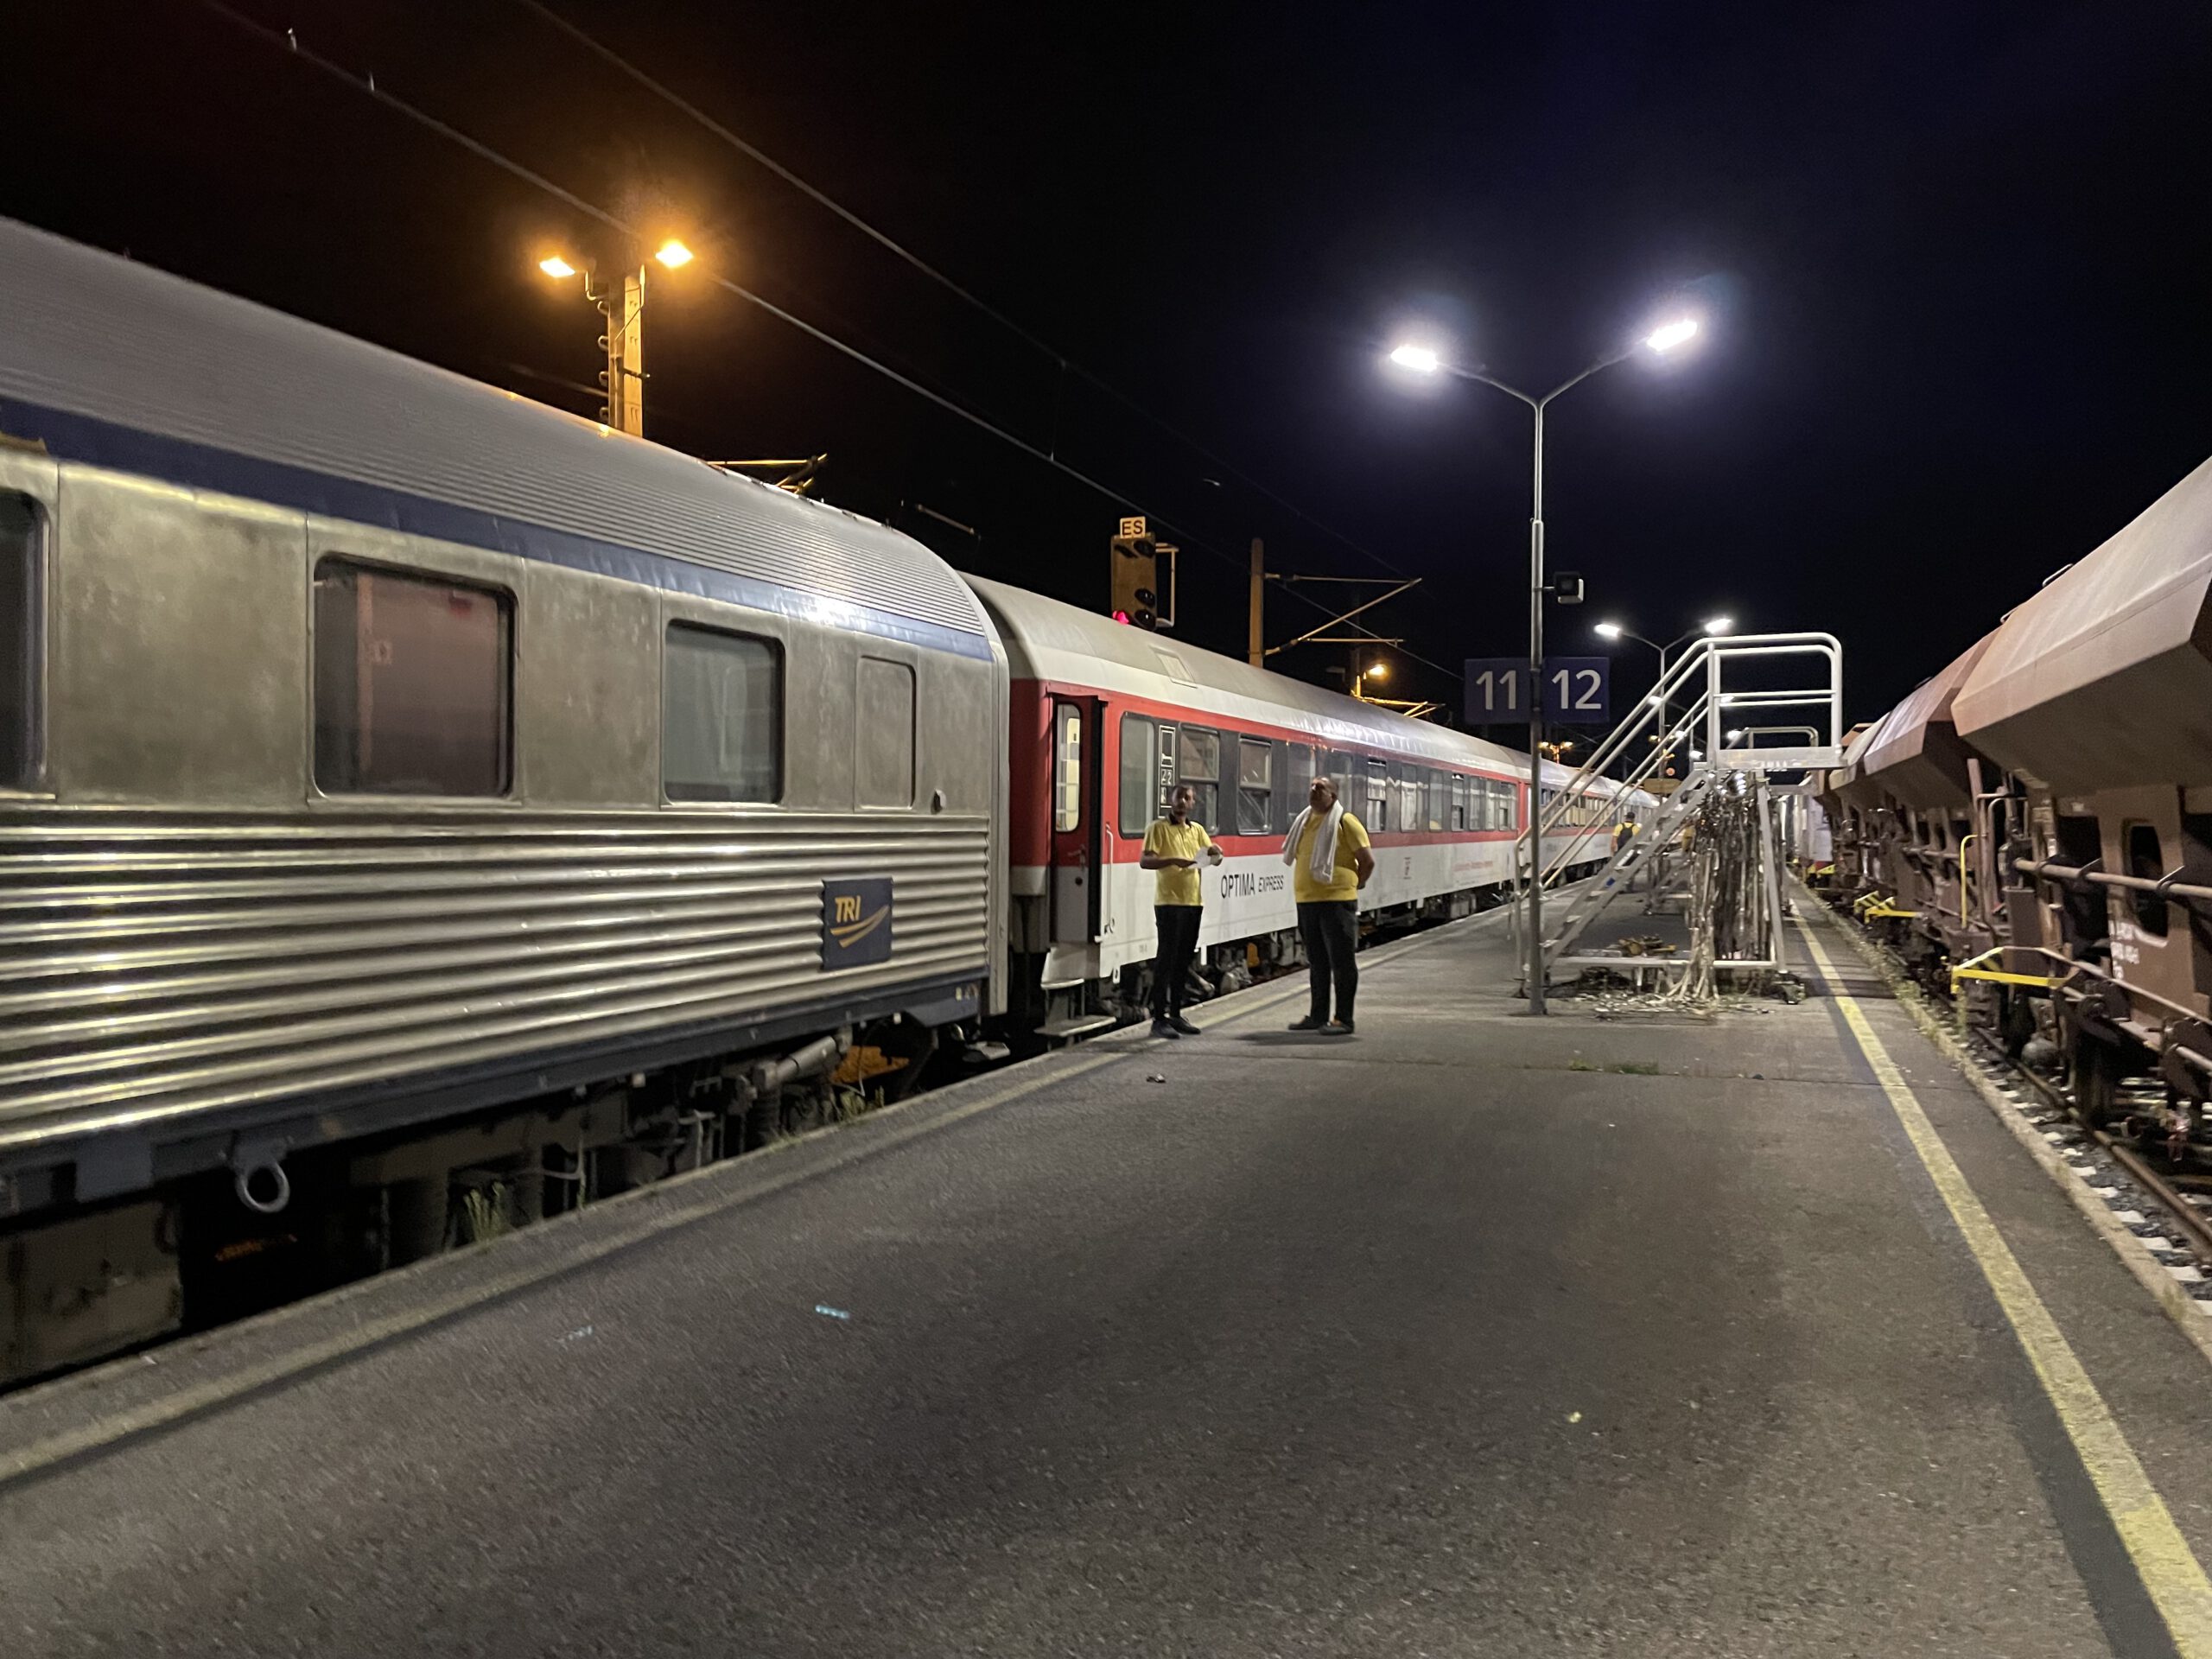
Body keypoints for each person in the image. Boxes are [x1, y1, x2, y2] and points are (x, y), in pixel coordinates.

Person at [1281, 774, 1374, 1035]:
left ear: (1332, 795)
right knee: (1318, 962)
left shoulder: (1346, 821)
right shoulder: (1304, 821)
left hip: (1337, 903)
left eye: (1319, 788)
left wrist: (1355, 884)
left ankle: (1344, 1019)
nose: (1313, 790)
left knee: (1342, 963)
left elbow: (1367, 861)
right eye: (1311, 787)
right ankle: (1317, 1015)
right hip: (1307, 902)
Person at [1139, 783, 1222, 1038]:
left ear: (1193, 803)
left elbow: (1212, 858)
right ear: (1170, 800)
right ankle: (1158, 1019)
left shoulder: (1197, 830)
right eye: (1179, 797)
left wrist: (1217, 854)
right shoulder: (1157, 828)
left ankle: (1175, 1014)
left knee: (1183, 961)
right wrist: (1173, 860)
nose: (1183, 802)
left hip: (1193, 902)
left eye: (1187, 798)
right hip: (1168, 903)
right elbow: (1145, 861)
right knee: (1165, 960)